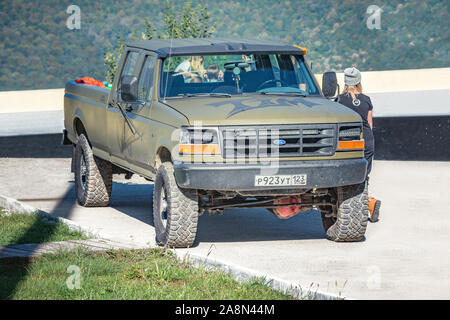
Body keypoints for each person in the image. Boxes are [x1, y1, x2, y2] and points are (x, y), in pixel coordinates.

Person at [336, 67, 381, 222]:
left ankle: (364, 204)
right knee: (364, 175)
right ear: (358, 82)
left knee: (346, 177)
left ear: (345, 82)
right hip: (367, 140)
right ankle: (368, 203)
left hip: (348, 142)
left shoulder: (339, 100)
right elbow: (370, 124)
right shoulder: (367, 99)